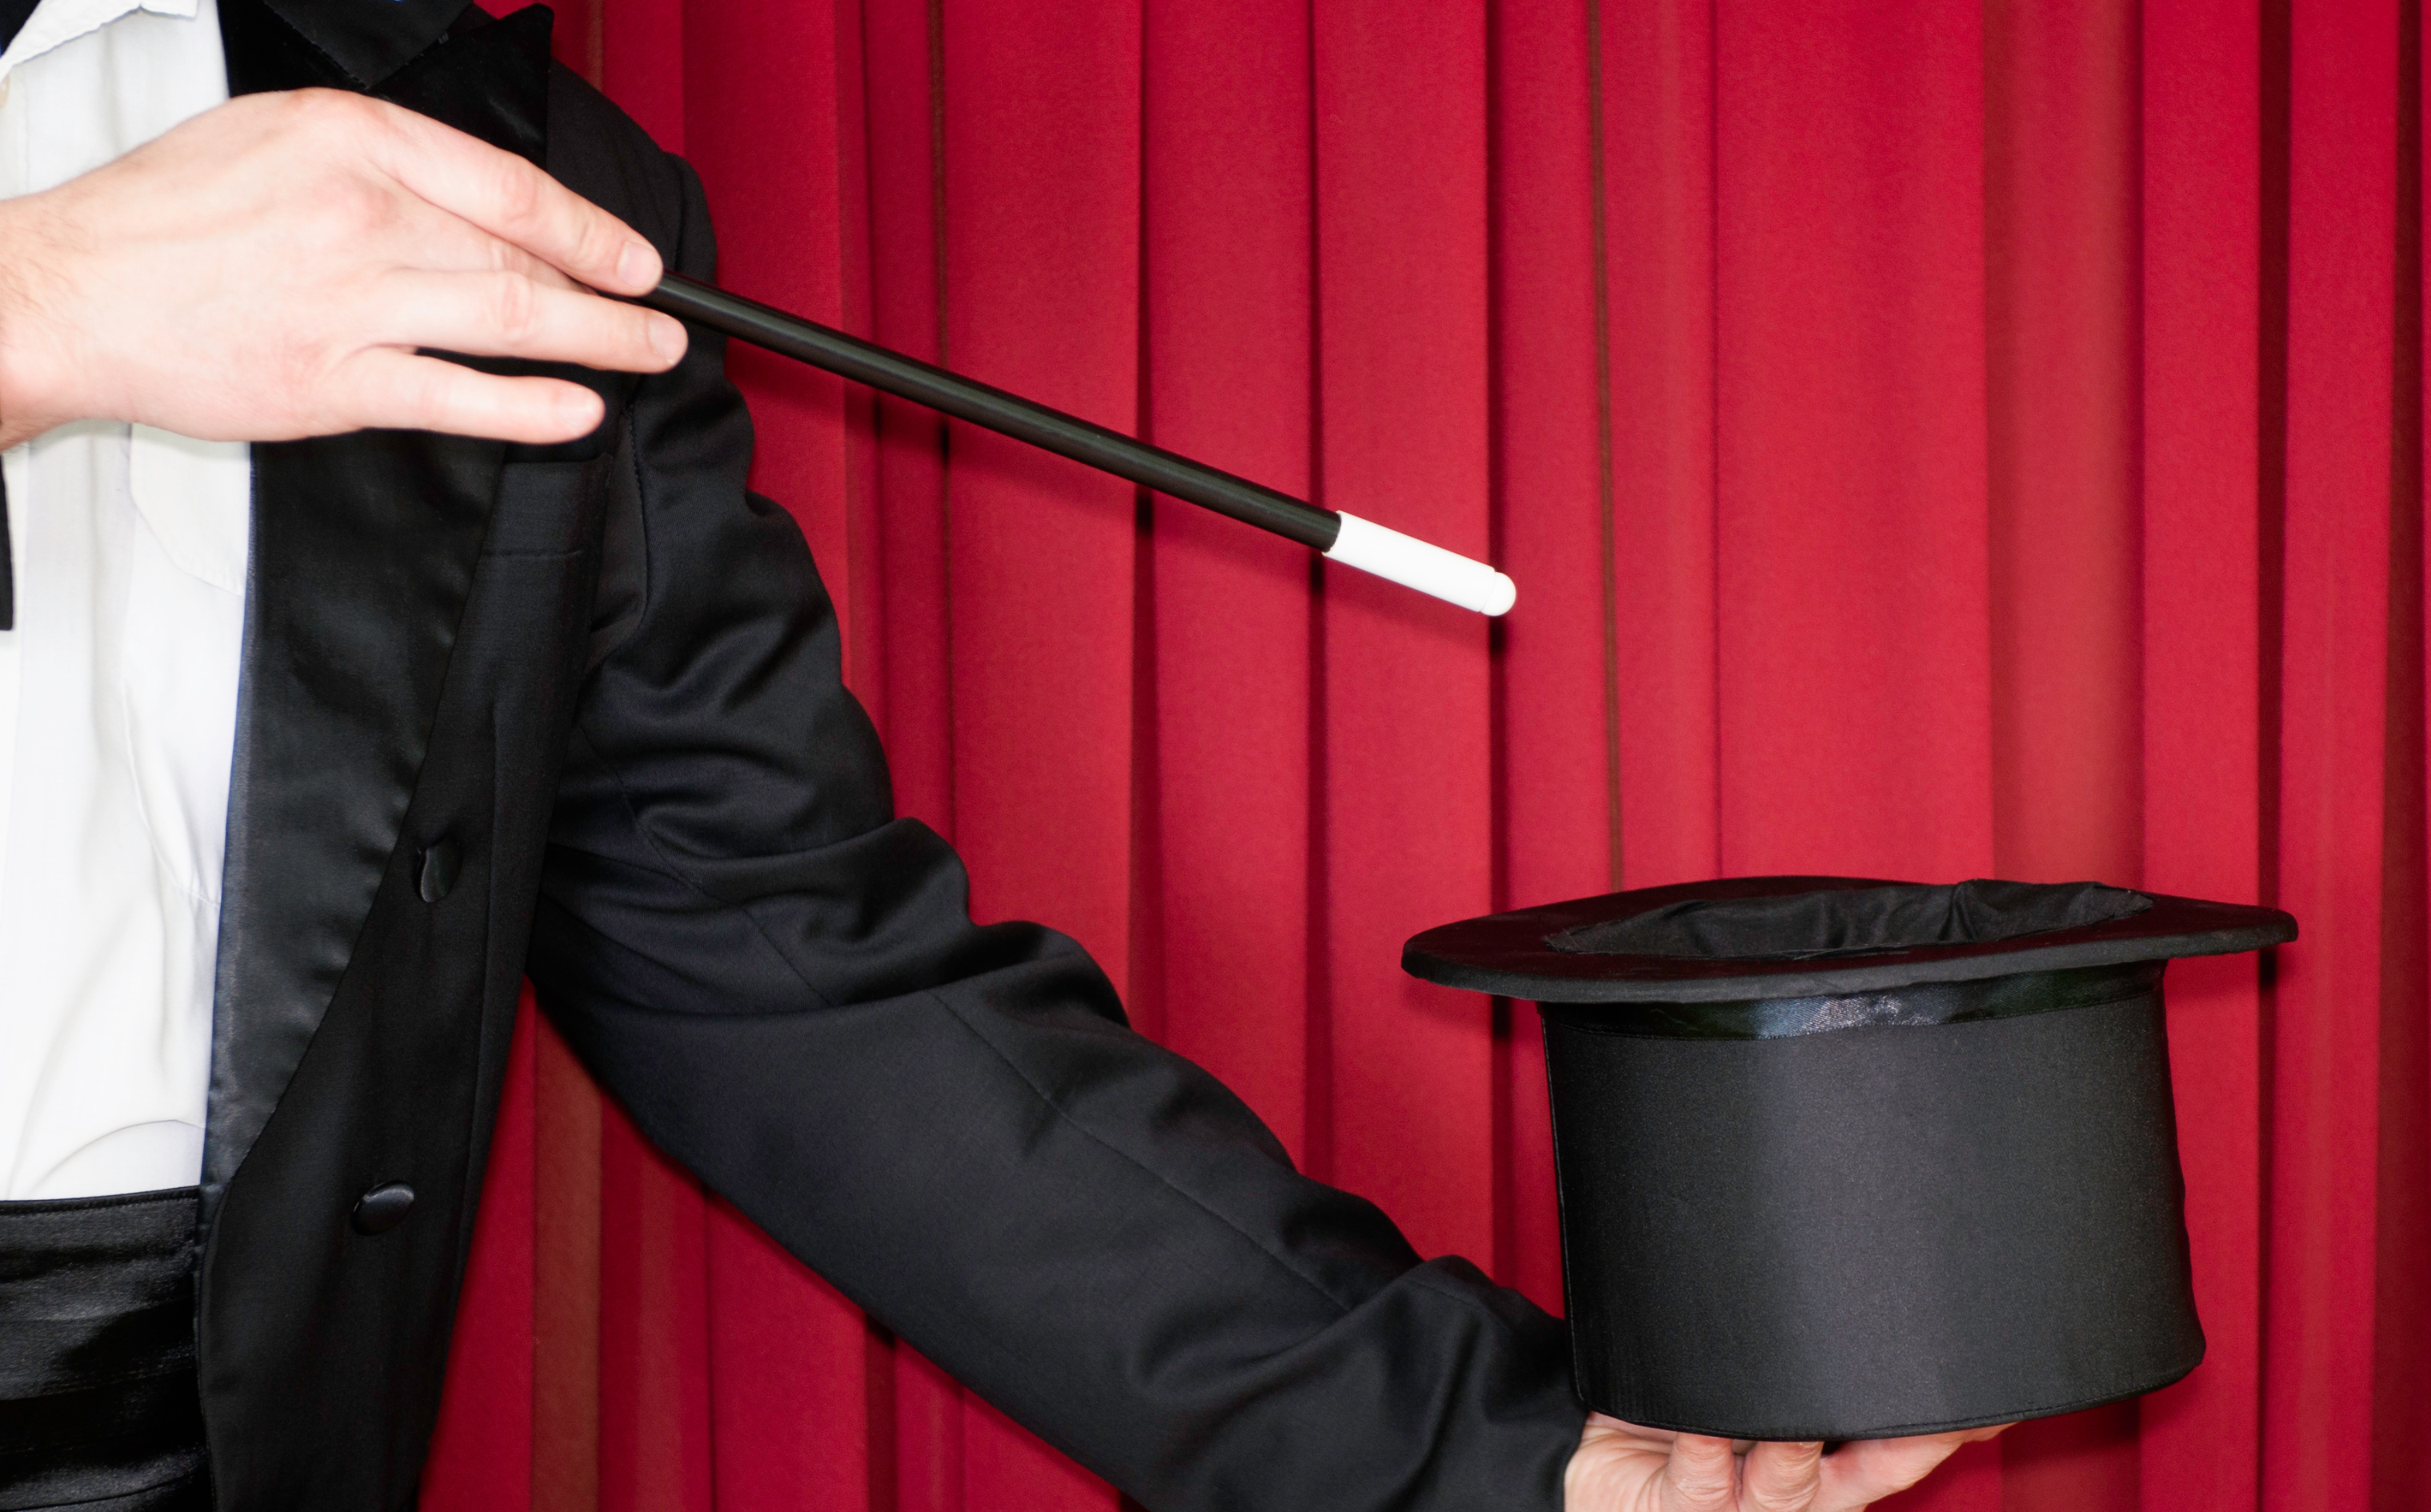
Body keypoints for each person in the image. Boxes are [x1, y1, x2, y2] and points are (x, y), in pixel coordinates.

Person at [0, 2, 1999, 1509]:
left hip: (206, 1425)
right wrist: (37, 304)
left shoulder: (497, 172)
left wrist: (1506, 1460)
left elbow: (791, 971)